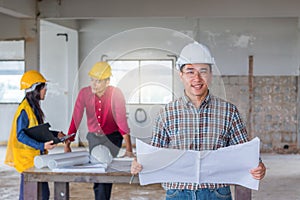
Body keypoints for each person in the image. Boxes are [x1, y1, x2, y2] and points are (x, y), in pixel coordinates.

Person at [131, 42, 266, 200]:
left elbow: (244, 151)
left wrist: (258, 165)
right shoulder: (166, 113)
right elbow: (154, 154)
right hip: (177, 193)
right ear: (180, 75)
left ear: (211, 74)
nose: (197, 78)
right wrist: (139, 162)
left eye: (203, 71)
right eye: (190, 71)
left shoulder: (229, 111)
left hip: (216, 193)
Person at [64, 61, 134, 200]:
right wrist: (67, 143)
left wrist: (129, 148)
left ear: (107, 82)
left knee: (104, 168)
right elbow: (76, 118)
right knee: (98, 172)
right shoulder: (84, 93)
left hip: (113, 138)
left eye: (98, 81)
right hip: (94, 137)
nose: (94, 84)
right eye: (92, 80)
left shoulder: (116, 94)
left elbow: (121, 120)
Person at [5, 70, 65, 200]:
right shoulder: (25, 110)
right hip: (27, 161)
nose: (45, 90)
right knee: (31, 195)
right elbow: (20, 135)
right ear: (36, 89)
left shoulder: (33, 108)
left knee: (42, 195)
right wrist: (42, 145)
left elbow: (37, 131)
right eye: (43, 87)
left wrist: (56, 135)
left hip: (36, 159)